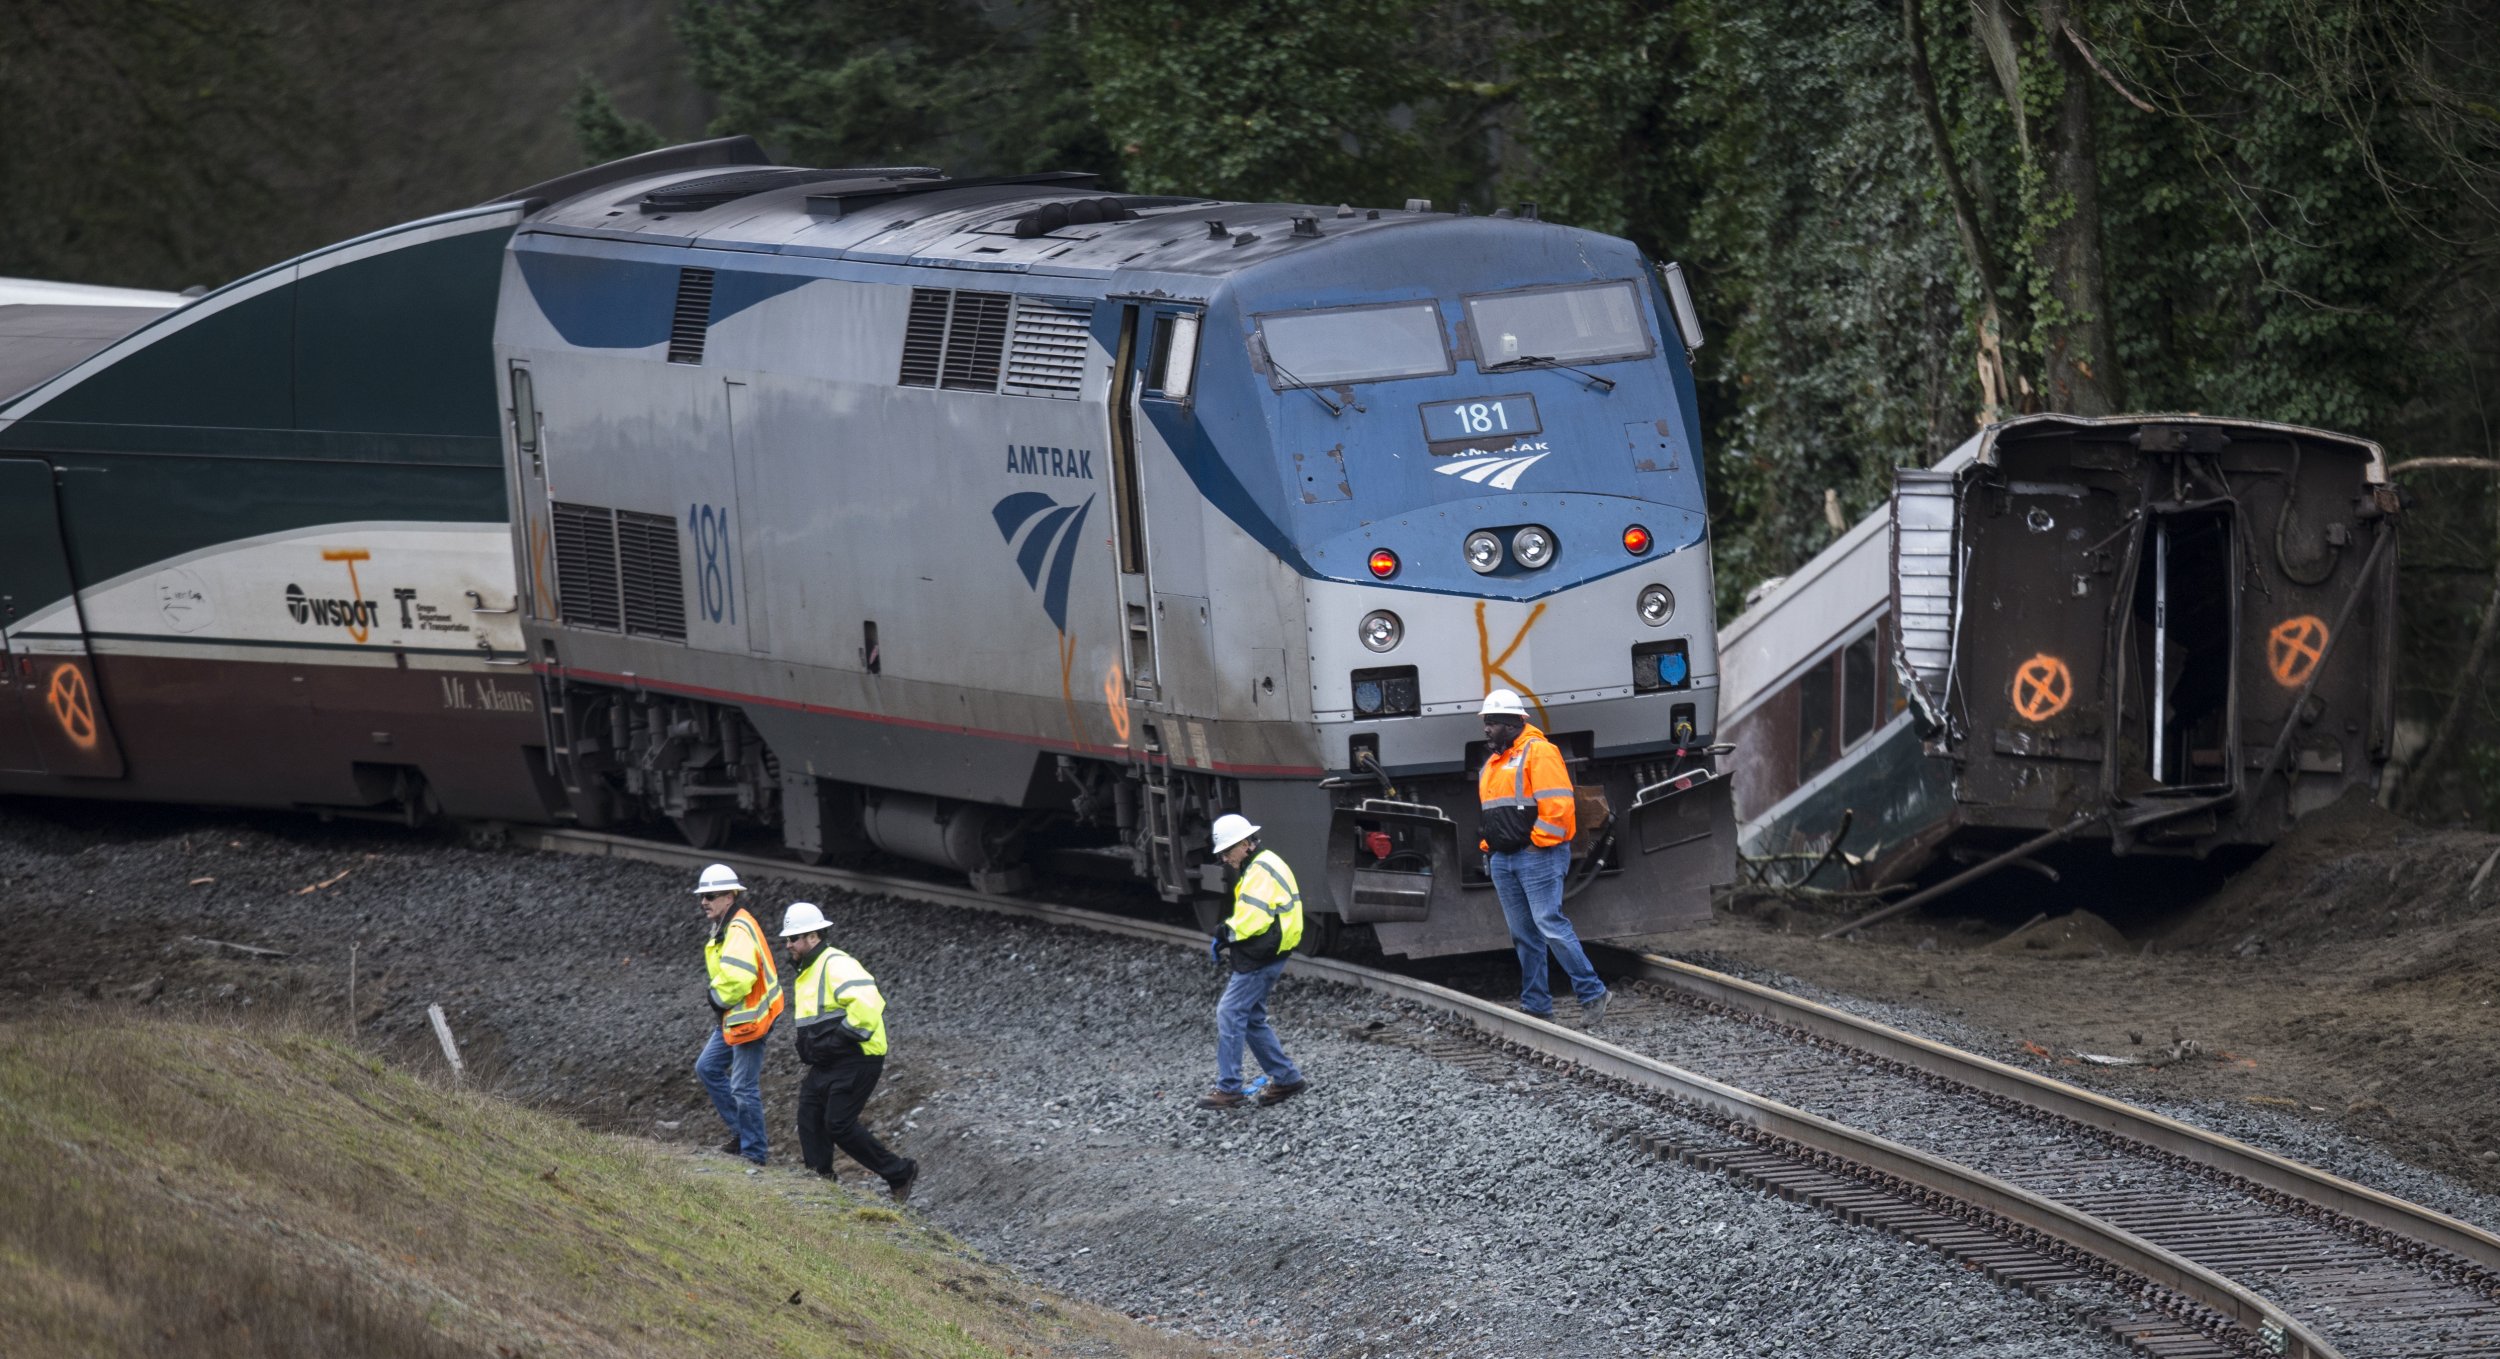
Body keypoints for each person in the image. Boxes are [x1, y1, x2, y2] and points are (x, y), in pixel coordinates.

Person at [1476, 689, 1610, 1026]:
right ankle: (1536, 1005)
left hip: (1537, 855)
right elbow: (1495, 813)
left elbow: (1559, 807)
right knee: (1523, 934)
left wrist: (1538, 843)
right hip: (1504, 859)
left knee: (1549, 925)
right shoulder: (1494, 763)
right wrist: (1489, 846)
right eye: (1486, 722)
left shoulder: (1540, 753)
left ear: (1513, 722)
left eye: (1492, 722)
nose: (1486, 729)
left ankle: (1593, 993)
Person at [779, 901, 919, 1201]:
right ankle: (821, 1185)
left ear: (812, 937)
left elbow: (869, 1005)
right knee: (810, 1114)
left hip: (858, 1056)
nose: (787, 945)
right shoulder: (811, 969)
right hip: (832, 1059)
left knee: (838, 1124)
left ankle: (900, 1172)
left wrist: (835, 1042)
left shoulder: (836, 964)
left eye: (792, 938)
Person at [1197, 813, 1308, 1110]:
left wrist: (1223, 933)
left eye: (1226, 851)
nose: (1223, 858)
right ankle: (1286, 1078)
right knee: (1252, 1019)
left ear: (1245, 844)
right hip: (1271, 950)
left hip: (1262, 952)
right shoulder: (1264, 863)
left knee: (1229, 1011)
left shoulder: (1259, 870)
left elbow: (1254, 920)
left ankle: (1228, 1087)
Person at [691, 862, 784, 1166]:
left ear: (729, 896)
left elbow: (740, 977)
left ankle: (754, 1153)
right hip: (736, 1017)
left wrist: (715, 998)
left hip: (750, 1019)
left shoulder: (738, 928)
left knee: (743, 1087)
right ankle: (743, 1135)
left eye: (711, 895)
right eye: (702, 895)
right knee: (707, 1067)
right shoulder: (727, 925)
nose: (704, 901)